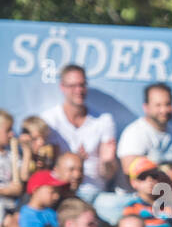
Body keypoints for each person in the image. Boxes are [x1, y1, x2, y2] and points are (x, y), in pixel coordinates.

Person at [40, 64, 118, 204]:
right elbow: (46, 166)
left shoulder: (104, 120)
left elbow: (107, 174)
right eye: (73, 86)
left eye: (82, 85)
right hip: (60, 191)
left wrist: (107, 162)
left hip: (95, 193)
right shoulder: (49, 121)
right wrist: (75, 160)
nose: (79, 90)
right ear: (62, 87)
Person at [117, 82, 172, 172]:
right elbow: (128, 170)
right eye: (158, 105)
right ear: (146, 107)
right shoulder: (135, 132)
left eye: (167, 104)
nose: (164, 110)